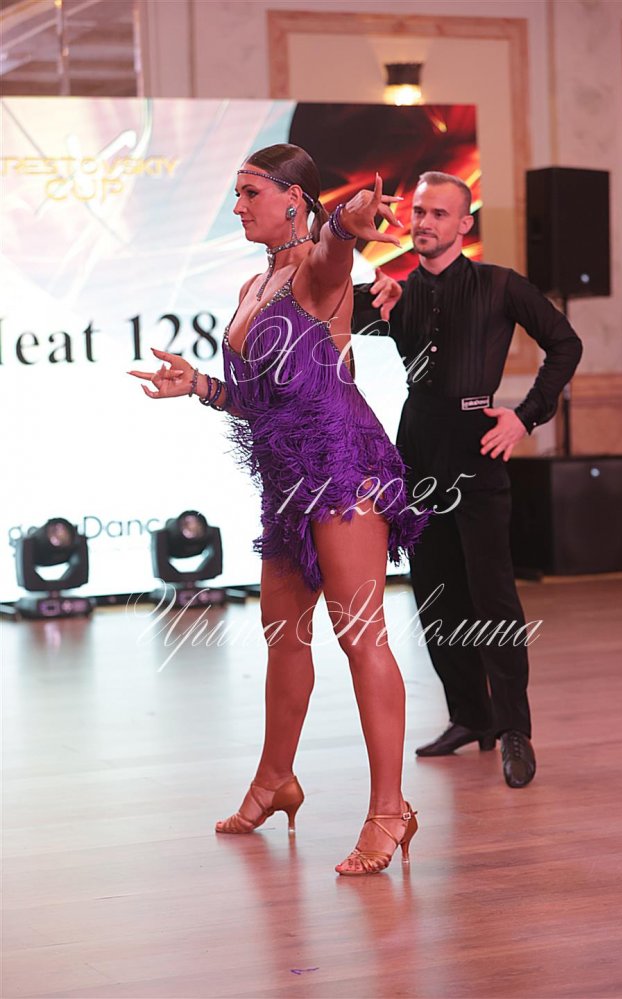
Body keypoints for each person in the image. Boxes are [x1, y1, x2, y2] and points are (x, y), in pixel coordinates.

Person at [129, 144, 424, 875]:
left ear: (295, 198)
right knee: (284, 636)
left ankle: (391, 810)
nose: (237, 207)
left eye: (250, 192)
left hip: (344, 469)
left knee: (361, 639)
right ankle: (274, 780)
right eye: (235, 193)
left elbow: (336, 246)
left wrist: (349, 220)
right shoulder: (252, 284)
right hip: (288, 480)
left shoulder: (318, 272)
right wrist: (200, 385)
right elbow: (260, 401)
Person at [352, 171, 583, 788]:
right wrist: (355, 242)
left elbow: (565, 344)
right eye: (418, 212)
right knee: (433, 593)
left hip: (478, 448)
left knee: (492, 595)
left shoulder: (500, 285)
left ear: (463, 224)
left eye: (438, 214)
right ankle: (469, 716)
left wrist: (525, 416)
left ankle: (513, 730)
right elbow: (321, 306)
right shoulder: (394, 293)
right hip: (417, 447)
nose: (424, 222)